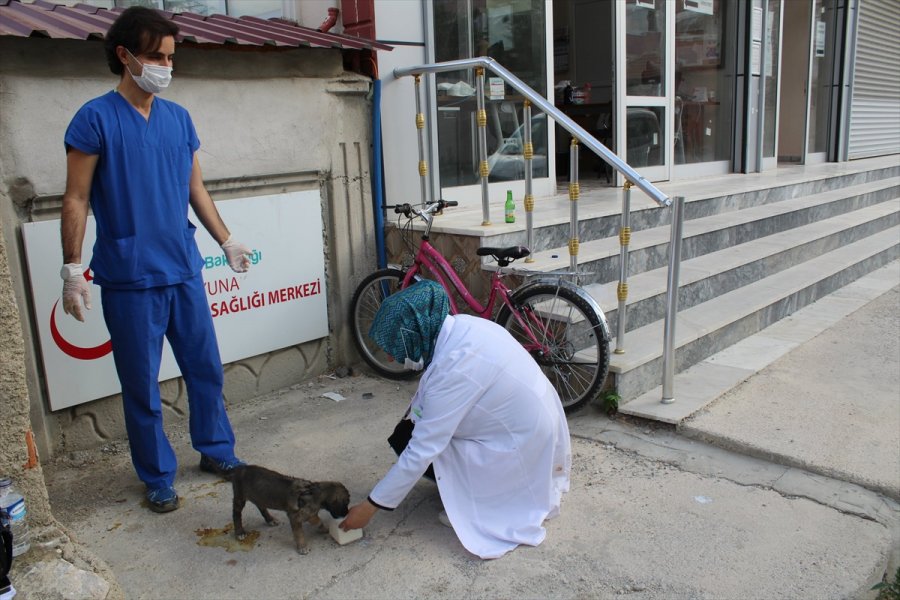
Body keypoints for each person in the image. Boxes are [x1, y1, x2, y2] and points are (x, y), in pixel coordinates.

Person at [60, 7, 252, 513]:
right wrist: (73, 267)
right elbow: (76, 197)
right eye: (155, 56)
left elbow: (195, 189)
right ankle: (157, 475)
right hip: (130, 276)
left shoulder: (178, 119)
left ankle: (216, 449)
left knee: (205, 368)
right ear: (124, 56)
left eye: (170, 57)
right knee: (142, 385)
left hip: (182, 268)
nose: (166, 66)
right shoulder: (95, 119)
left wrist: (226, 240)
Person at [340, 281, 571, 559]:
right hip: (530, 432)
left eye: (394, 346)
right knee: (406, 432)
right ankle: (479, 488)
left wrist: (370, 506)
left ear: (413, 333)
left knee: (417, 445)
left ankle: (483, 505)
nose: (391, 357)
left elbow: (424, 447)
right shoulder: (462, 327)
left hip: (518, 447)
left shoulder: (456, 369)